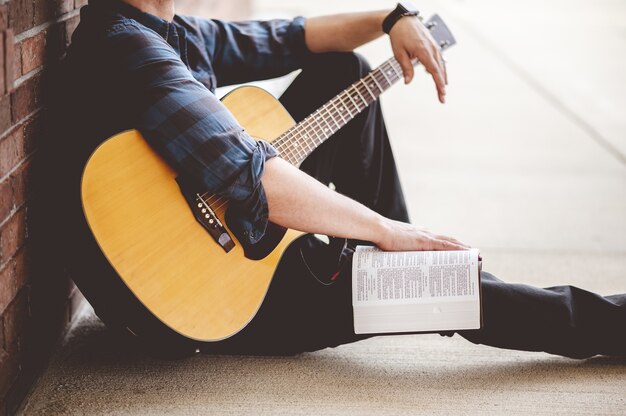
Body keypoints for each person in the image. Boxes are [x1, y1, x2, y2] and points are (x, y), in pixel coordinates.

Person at [48, 0, 625, 359]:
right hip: (203, 297)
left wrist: (391, 19)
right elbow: (252, 175)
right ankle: (608, 325)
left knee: (340, 69)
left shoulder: (171, 31)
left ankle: (402, 259)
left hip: (219, 241)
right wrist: (386, 231)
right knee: (433, 288)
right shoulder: (127, 47)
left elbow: (290, 37)